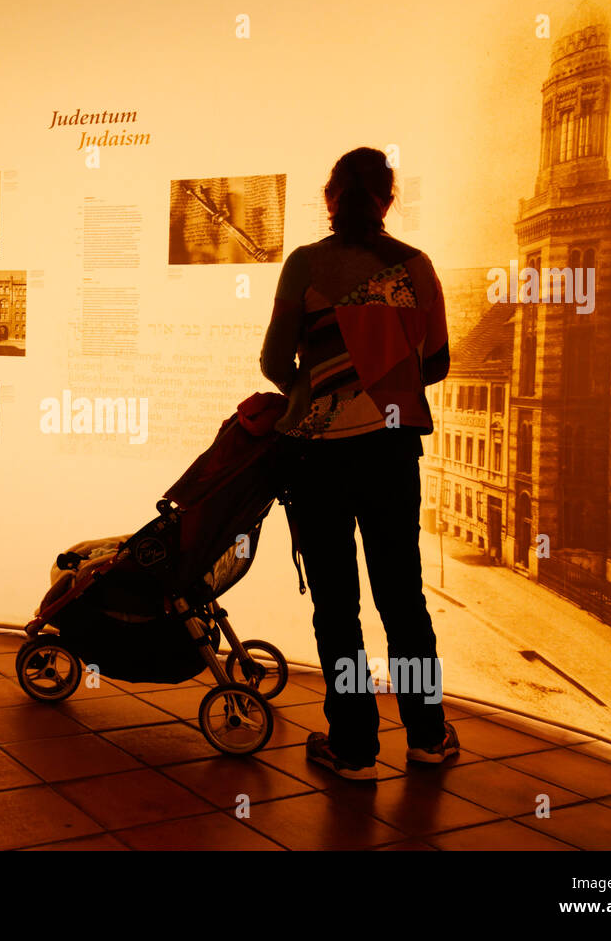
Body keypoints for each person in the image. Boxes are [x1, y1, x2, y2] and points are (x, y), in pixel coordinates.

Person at [260, 146, 459, 781]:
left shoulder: (305, 265)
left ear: (330, 197)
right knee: (402, 598)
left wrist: (322, 388)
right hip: (391, 449)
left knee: (336, 606)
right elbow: (438, 363)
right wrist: (385, 384)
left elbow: (273, 361)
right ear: (388, 198)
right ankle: (427, 735)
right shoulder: (415, 267)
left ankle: (353, 745)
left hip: (317, 455)